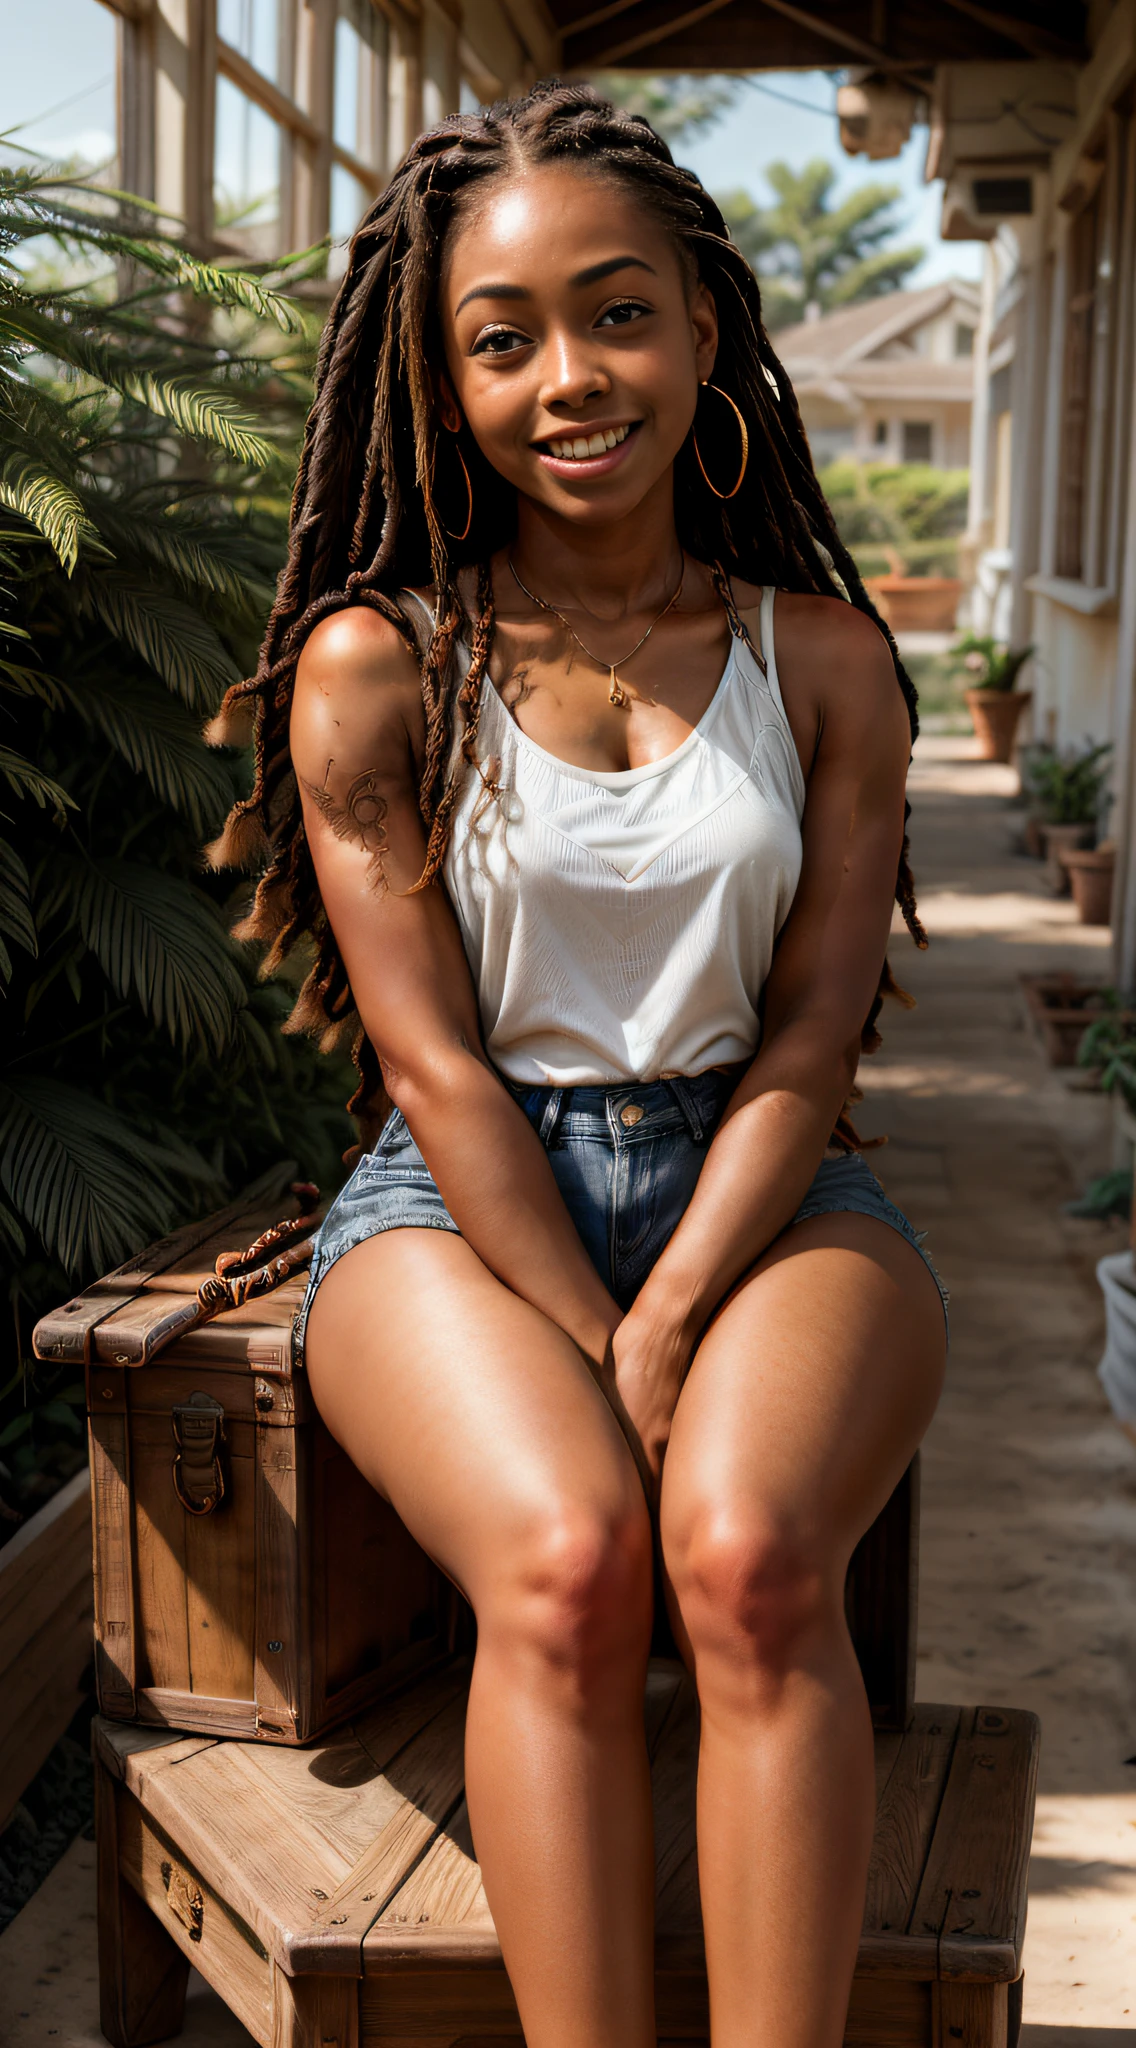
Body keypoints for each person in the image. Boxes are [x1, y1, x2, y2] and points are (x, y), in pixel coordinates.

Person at [213, 81, 948, 2048]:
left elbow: (807, 1032)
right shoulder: (378, 665)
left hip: (762, 1176)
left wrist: (681, 1292)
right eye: (502, 335)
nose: (571, 376)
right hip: (454, 1203)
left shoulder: (825, 666)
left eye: (618, 313)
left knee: (751, 1559)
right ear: (438, 378)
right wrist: (590, 1324)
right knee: (563, 1565)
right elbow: (436, 1068)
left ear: (704, 327)